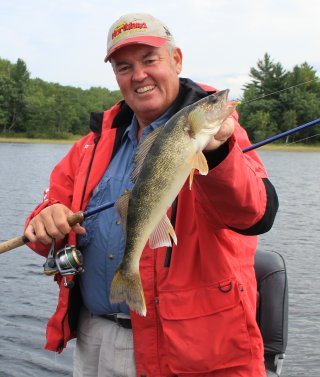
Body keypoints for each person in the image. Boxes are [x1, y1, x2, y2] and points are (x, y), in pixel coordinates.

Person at [24, 12, 279, 377]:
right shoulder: (91, 146)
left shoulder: (217, 133)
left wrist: (219, 155)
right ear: (116, 76)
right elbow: (43, 222)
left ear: (176, 60)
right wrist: (46, 216)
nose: (139, 75)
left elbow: (254, 214)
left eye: (150, 60)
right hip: (93, 338)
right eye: (125, 66)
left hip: (190, 347)